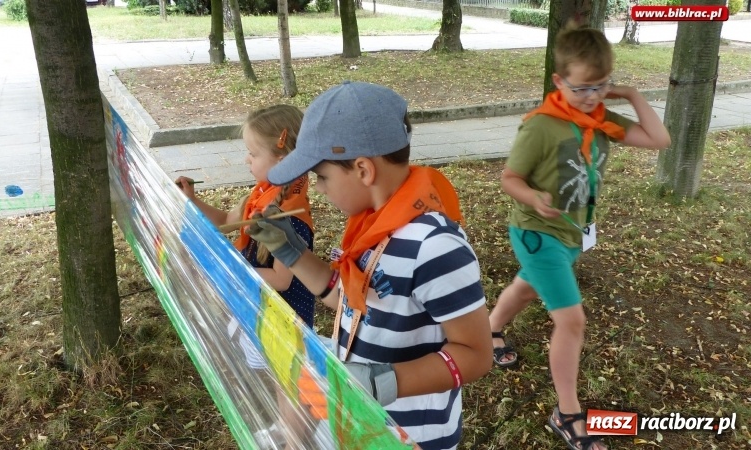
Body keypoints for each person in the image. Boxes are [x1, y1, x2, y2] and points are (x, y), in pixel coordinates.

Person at [246, 81, 493, 450]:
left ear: (363, 169)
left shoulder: (435, 247)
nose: (319, 188)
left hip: (409, 436)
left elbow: (476, 354)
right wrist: (292, 253)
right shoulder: (372, 227)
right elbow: (352, 303)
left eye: (323, 176)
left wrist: (380, 382)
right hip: (361, 421)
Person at [487, 22, 671, 450]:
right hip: (536, 231)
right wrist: (533, 197)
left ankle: (490, 328)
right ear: (558, 81)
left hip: (570, 233)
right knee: (571, 322)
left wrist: (631, 95)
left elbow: (659, 139)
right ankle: (566, 414)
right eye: (582, 87)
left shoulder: (602, 116)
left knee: (528, 286)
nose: (591, 97)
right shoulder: (541, 126)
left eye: (600, 86)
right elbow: (509, 178)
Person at [176, 104, 315, 449]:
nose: (246, 160)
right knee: (276, 374)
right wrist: (191, 201)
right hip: (260, 306)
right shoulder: (258, 196)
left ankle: (295, 437)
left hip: (285, 313)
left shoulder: (292, 216)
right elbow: (225, 220)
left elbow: (283, 280)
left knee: (289, 378)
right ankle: (287, 426)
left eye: (253, 153)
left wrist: (228, 267)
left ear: (282, 159)